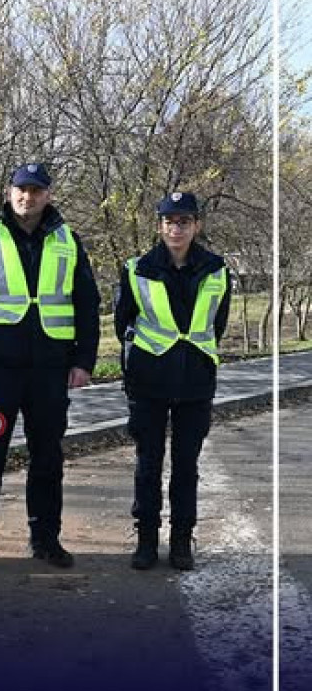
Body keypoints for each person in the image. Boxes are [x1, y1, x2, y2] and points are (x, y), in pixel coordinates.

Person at [0, 163, 100, 572]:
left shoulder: (69, 241)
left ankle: (46, 539)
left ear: (48, 195)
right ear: (8, 190)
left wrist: (84, 360)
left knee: (47, 457)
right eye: (20, 189)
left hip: (50, 369)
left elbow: (88, 305)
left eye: (35, 190)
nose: (26, 197)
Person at [114, 192, 231, 571]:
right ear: (160, 225)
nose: (175, 228)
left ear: (197, 225)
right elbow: (123, 323)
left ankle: (182, 541)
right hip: (149, 380)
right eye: (169, 221)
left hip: (195, 381)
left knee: (186, 465)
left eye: (183, 221)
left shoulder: (216, 269)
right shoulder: (138, 268)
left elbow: (218, 322)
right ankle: (146, 540)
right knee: (148, 463)